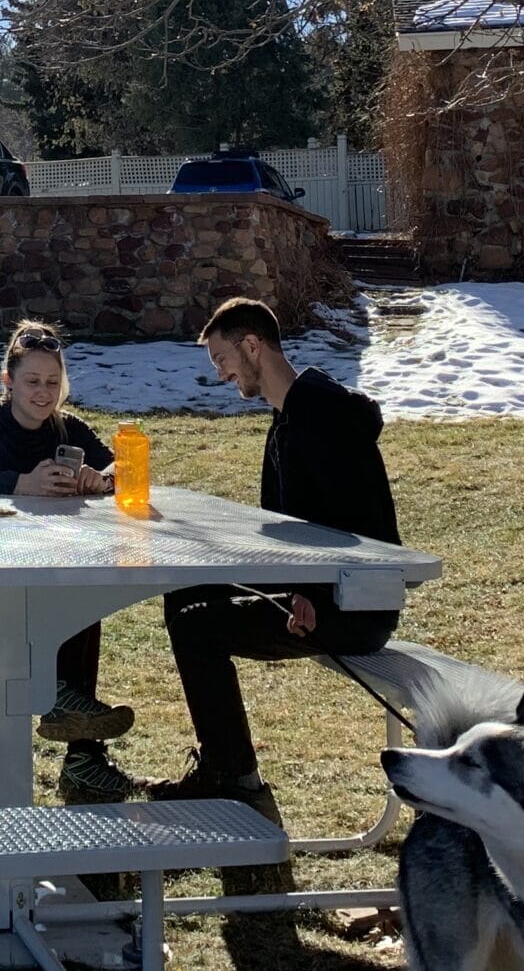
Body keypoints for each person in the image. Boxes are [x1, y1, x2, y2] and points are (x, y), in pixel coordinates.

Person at [148, 296, 402, 823]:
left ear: (251, 345)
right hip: (318, 591)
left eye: (222, 359)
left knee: (199, 629)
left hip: (353, 605)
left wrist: (306, 591)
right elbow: (295, 529)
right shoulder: (290, 419)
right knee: (185, 593)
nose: (221, 374)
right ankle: (225, 764)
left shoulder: (324, 417)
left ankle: (236, 779)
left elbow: (355, 527)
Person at [0, 320, 138, 804]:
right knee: (69, 598)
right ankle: (67, 710)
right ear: (8, 380)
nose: (43, 393)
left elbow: (120, 466)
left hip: (56, 563)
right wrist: (20, 483)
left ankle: (83, 754)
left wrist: (100, 479)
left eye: (52, 382)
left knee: (83, 589)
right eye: (32, 381)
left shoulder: (68, 429)